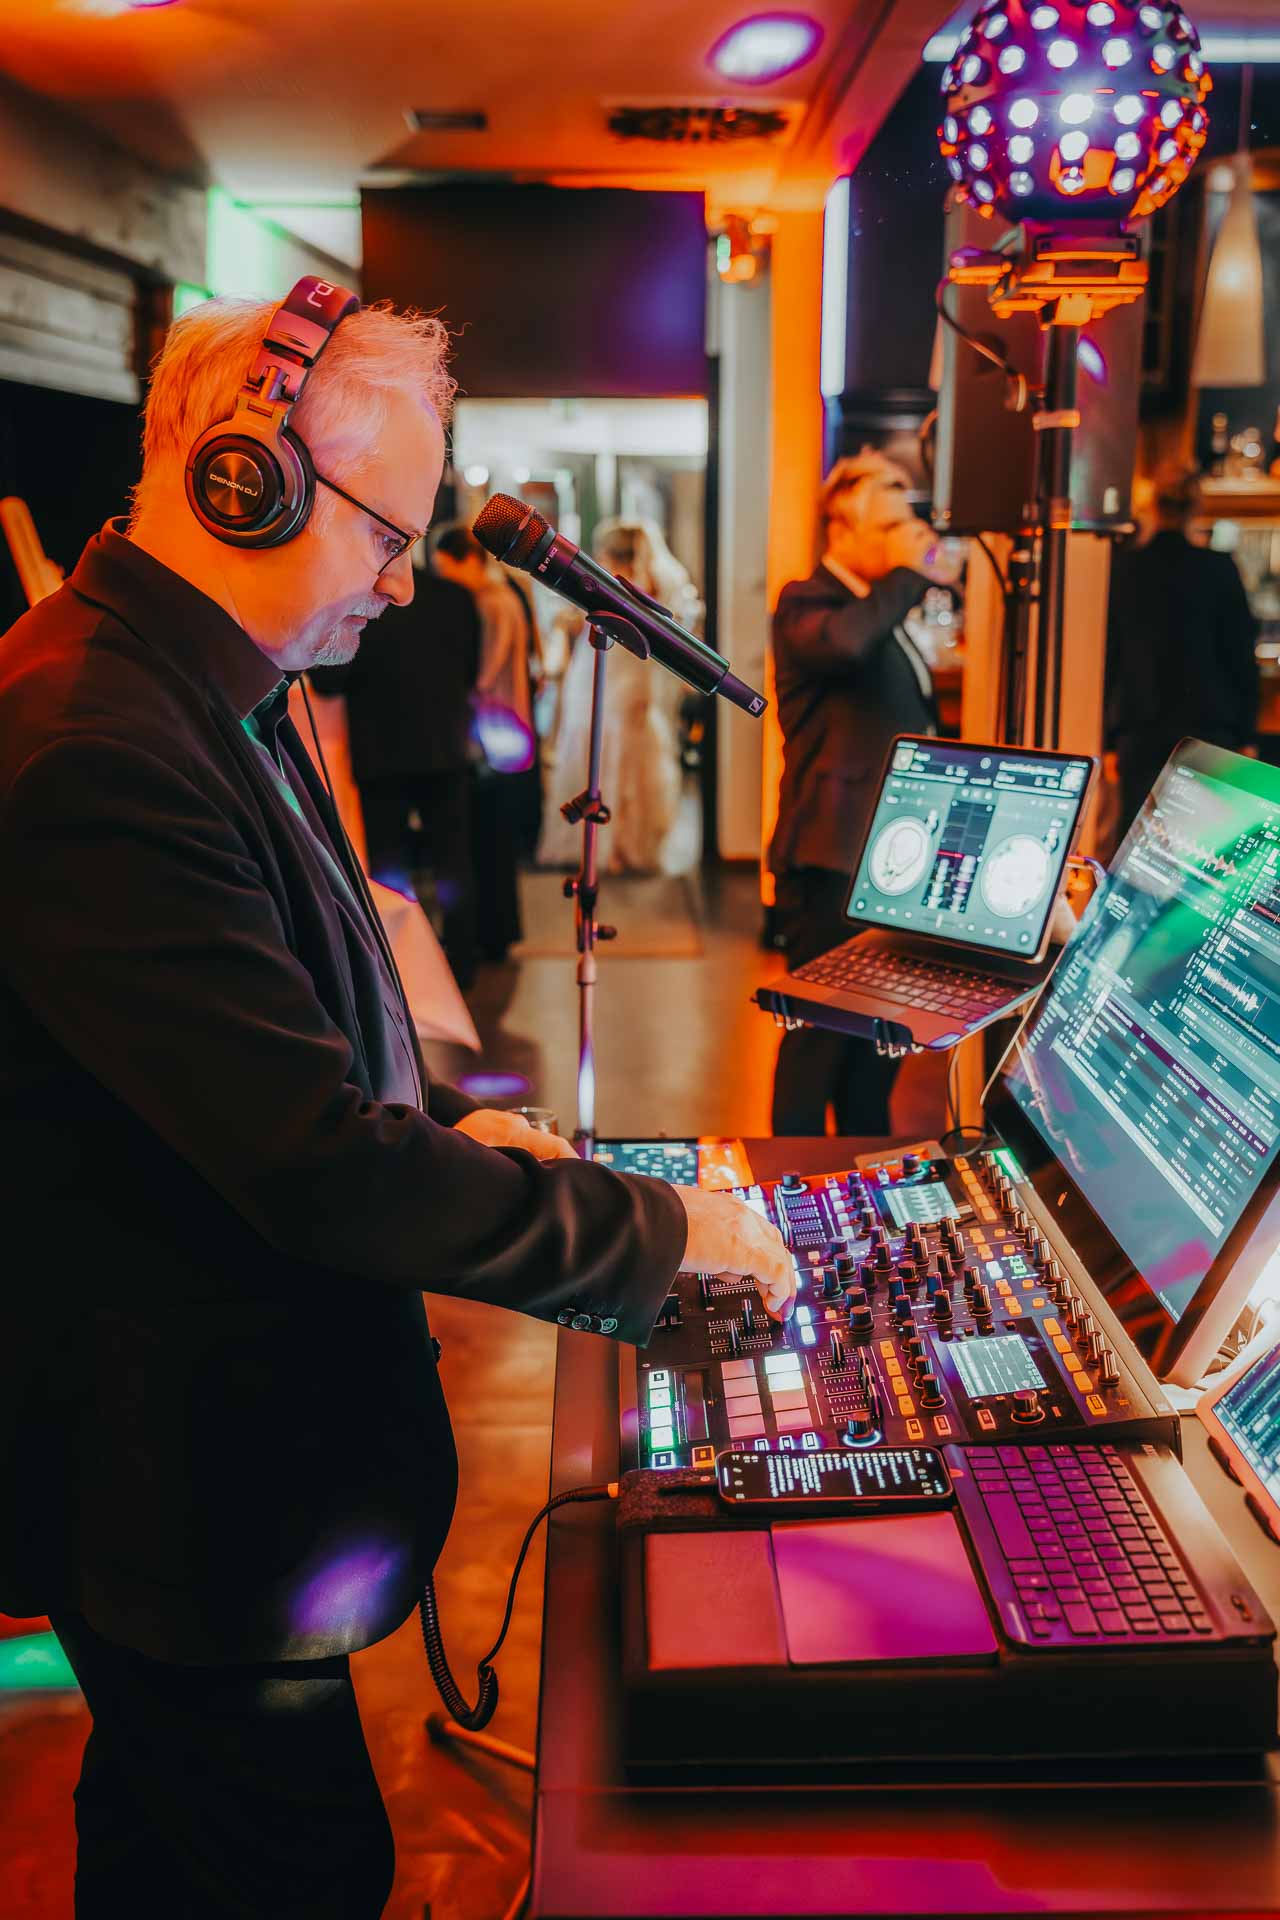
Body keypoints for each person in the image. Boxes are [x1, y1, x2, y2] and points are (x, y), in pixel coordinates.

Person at [0, 280, 795, 1920]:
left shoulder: (194, 682)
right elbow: (315, 1168)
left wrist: (442, 1119)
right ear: (247, 480)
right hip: (179, 1492)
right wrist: (660, 1234)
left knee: (166, 1846)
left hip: (203, 1476)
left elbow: (283, 1019)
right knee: (289, 1874)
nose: (404, 578)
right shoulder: (97, 739)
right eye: (386, 533)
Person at [769, 448, 963, 1136]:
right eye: (889, 527)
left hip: (886, 862)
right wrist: (912, 571)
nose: (906, 540)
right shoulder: (808, 601)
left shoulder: (879, 607)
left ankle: (859, 1169)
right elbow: (847, 646)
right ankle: (788, 1178)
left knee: (875, 1048)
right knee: (816, 1044)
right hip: (830, 862)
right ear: (843, 528)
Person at [309, 544, 483, 986]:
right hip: (444, 747)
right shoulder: (456, 597)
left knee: (390, 868)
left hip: (381, 751)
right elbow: (471, 669)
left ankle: (399, 967)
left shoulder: (360, 600)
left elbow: (329, 682)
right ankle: (463, 964)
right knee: (454, 859)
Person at [1106, 466, 1259, 835]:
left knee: (1137, 839)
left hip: (1140, 730)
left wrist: (1108, 738)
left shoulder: (1126, 569)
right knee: (1200, 841)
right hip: (1208, 728)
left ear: (1152, 509)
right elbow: (1240, 656)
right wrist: (1247, 735)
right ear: (1196, 509)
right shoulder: (1218, 568)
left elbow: (1111, 659)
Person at [539, 517, 692, 873]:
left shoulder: (614, 588)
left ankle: (605, 845)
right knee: (623, 756)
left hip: (606, 678)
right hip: (624, 681)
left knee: (597, 749)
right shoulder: (649, 588)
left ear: (609, 554)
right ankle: (624, 844)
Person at [431, 522, 531, 958]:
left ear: (469, 561)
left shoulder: (493, 602)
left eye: (447, 570)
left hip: (494, 738)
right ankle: (496, 932)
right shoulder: (504, 597)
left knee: (489, 841)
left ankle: (493, 935)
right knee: (494, 841)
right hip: (504, 737)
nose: (445, 581)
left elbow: (484, 674)